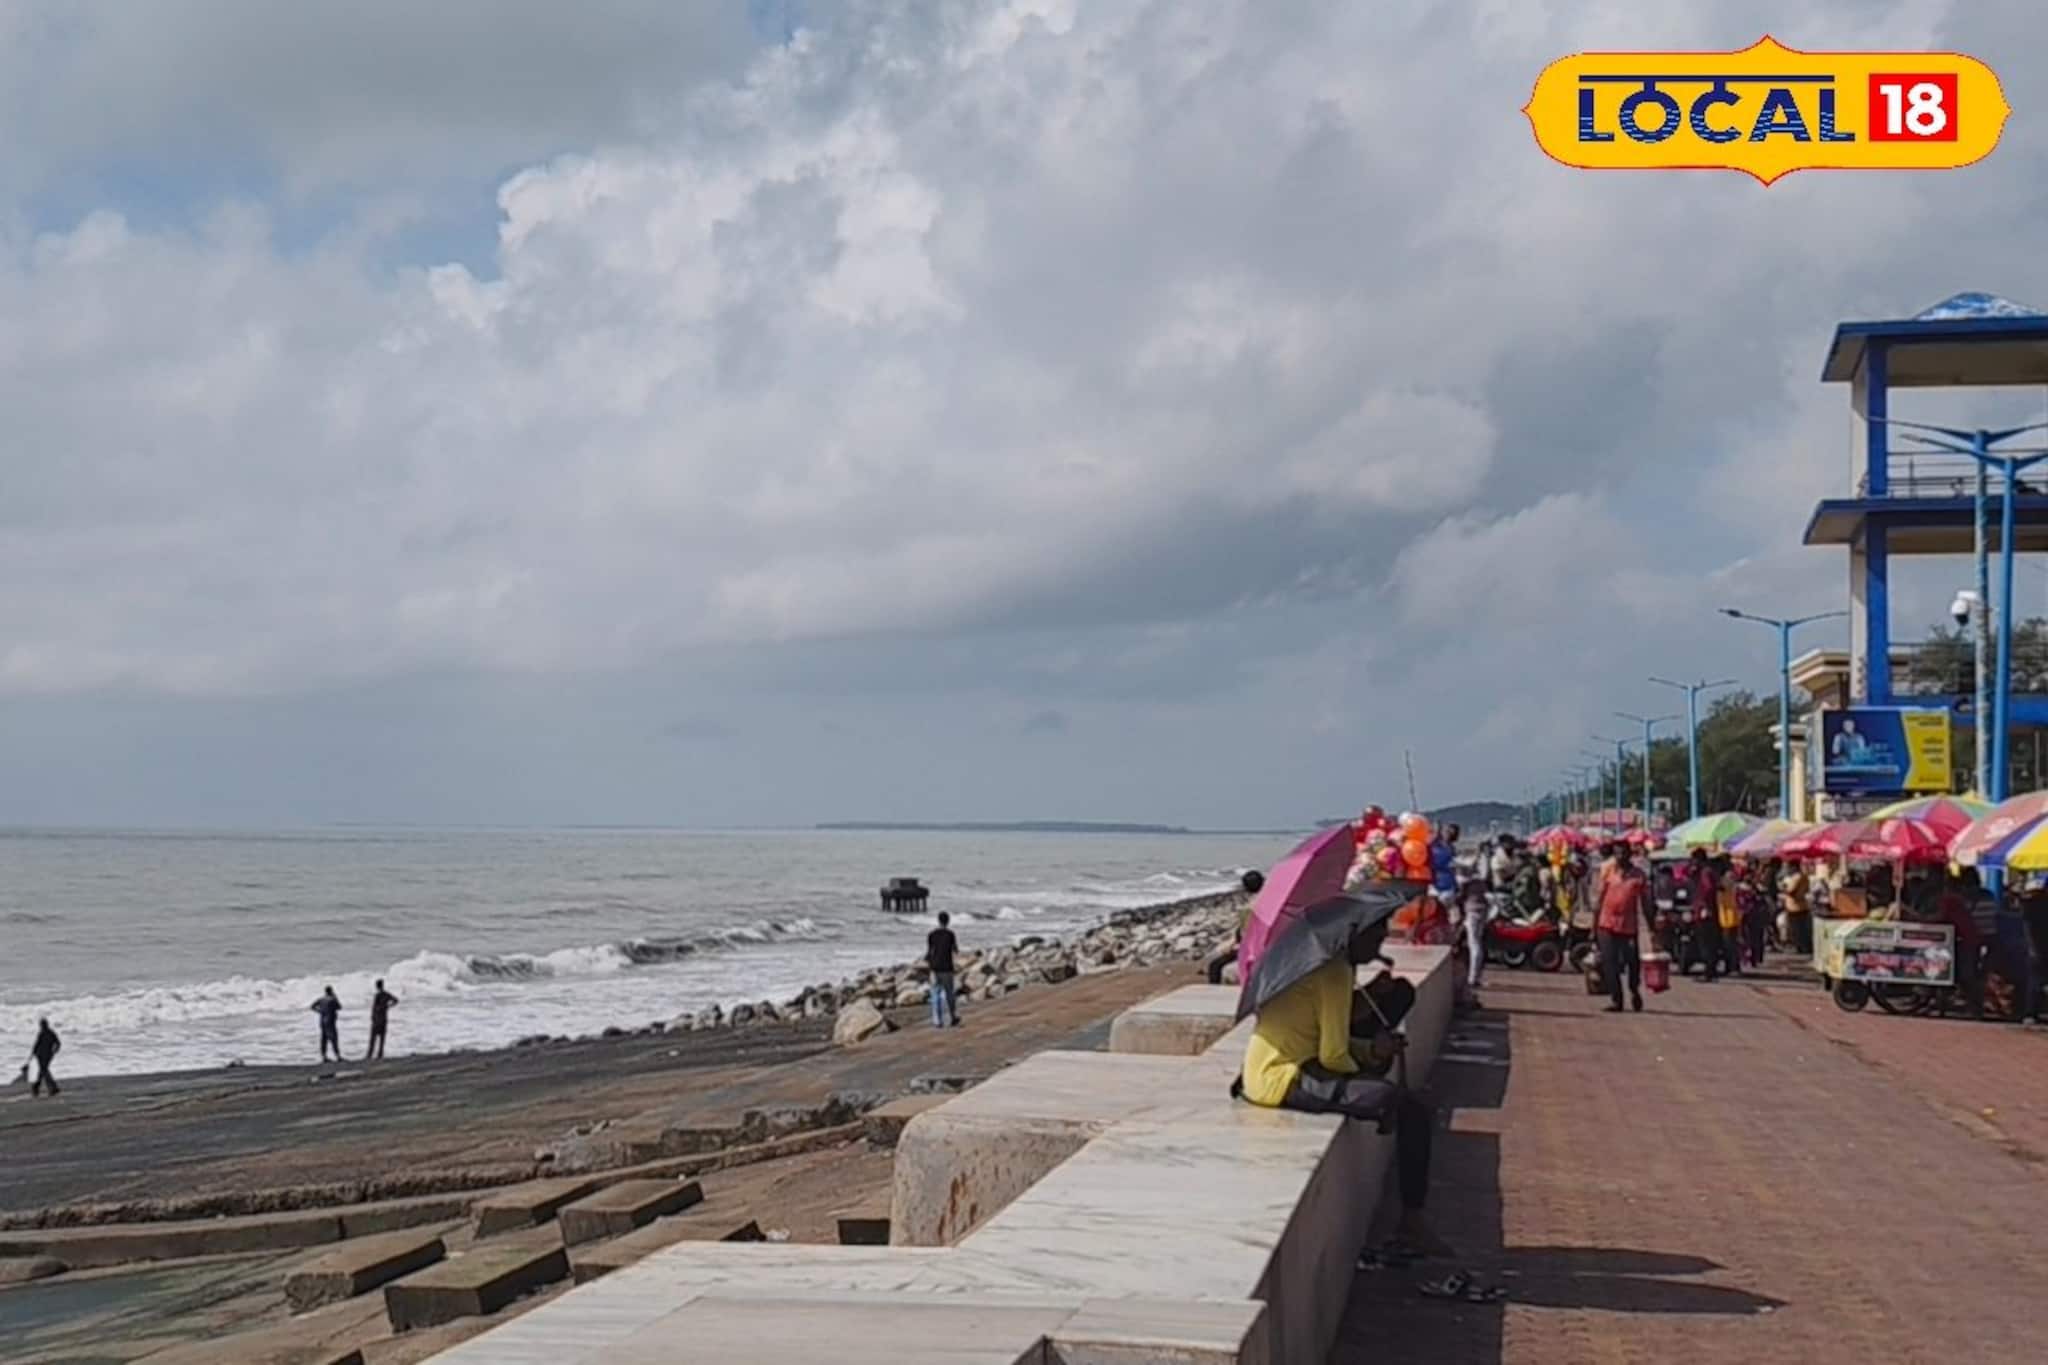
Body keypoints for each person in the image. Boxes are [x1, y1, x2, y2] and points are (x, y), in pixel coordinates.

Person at [1237, 925, 1435, 1248]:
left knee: (1397, 1101)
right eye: (1376, 936)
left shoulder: (1325, 966)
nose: (1381, 943)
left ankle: (1411, 1221)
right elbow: (1332, 1055)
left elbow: (1328, 1044)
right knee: (1410, 1110)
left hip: (1272, 1070)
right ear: (1355, 935)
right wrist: (1369, 1077)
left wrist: (1372, 1051)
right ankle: (1412, 1221)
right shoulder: (1335, 972)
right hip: (1283, 1078)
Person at [1598, 847, 1649, 1013]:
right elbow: (1599, 898)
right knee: (1610, 964)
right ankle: (1616, 999)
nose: (1620, 857)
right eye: (1617, 854)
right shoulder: (1608, 872)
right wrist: (1594, 926)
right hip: (1607, 924)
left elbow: (1646, 902)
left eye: (1623, 853)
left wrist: (1652, 927)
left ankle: (1634, 990)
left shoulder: (1639, 875)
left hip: (1628, 926)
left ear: (1629, 855)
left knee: (1632, 963)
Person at [1208, 869, 1265, 985]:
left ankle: (1215, 990)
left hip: (1250, 947)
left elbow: (1248, 934)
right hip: (1248, 943)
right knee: (1217, 957)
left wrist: (1235, 946)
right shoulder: (1265, 901)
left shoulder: (1252, 908)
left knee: (1215, 965)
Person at [1687, 849, 1725, 981]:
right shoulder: (1706, 871)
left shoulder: (1705, 872)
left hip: (1705, 911)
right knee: (1709, 942)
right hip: (1707, 910)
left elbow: (1708, 889)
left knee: (1706, 943)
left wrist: (1704, 906)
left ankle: (1709, 972)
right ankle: (1711, 971)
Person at [926, 912, 961, 1028]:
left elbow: (930, 951)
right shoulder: (950, 934)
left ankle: (937, 1020)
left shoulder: (931, 934)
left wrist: (928, 963)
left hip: (935, 967)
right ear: (948, 921)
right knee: (949, 993)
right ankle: (952, 1016)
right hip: (947, 967)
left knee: (935, 993)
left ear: (938, 920)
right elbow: (955, 949)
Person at [311, 985, 344, 1062]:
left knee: (324, 1039)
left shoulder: (321, 999)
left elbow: (312, 1006)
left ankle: (324, 1056)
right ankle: (338, 1056)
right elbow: (339, 1007)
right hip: (330, 1021)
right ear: (331, 991)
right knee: (334, 1039)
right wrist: (335, 997)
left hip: (322, 1021)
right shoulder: (332, 999)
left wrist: (319, 1011)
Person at [367, 980, 399, 1060]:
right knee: (382, 1038)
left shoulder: (377, 995)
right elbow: (396, 1000)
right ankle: (380, 1054)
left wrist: (372, 1017)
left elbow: (374, 1007)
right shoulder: (386, 994)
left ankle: (370, 1055)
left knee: (373, 1038)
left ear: (377, 986)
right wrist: (388, 1006)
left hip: (377, 1019)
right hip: (384, 1018)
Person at [28, 1018, 61, 1097]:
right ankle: (37, 1088)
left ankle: (51, 1088)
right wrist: (55, 1051)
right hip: (45, 1055)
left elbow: (37, 1044)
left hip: (44, 1055)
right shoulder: (49, 1033)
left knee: (44, 1071)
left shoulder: (44, 1033)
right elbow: (58, 1043)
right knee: (43, 1071)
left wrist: (32, 1054)